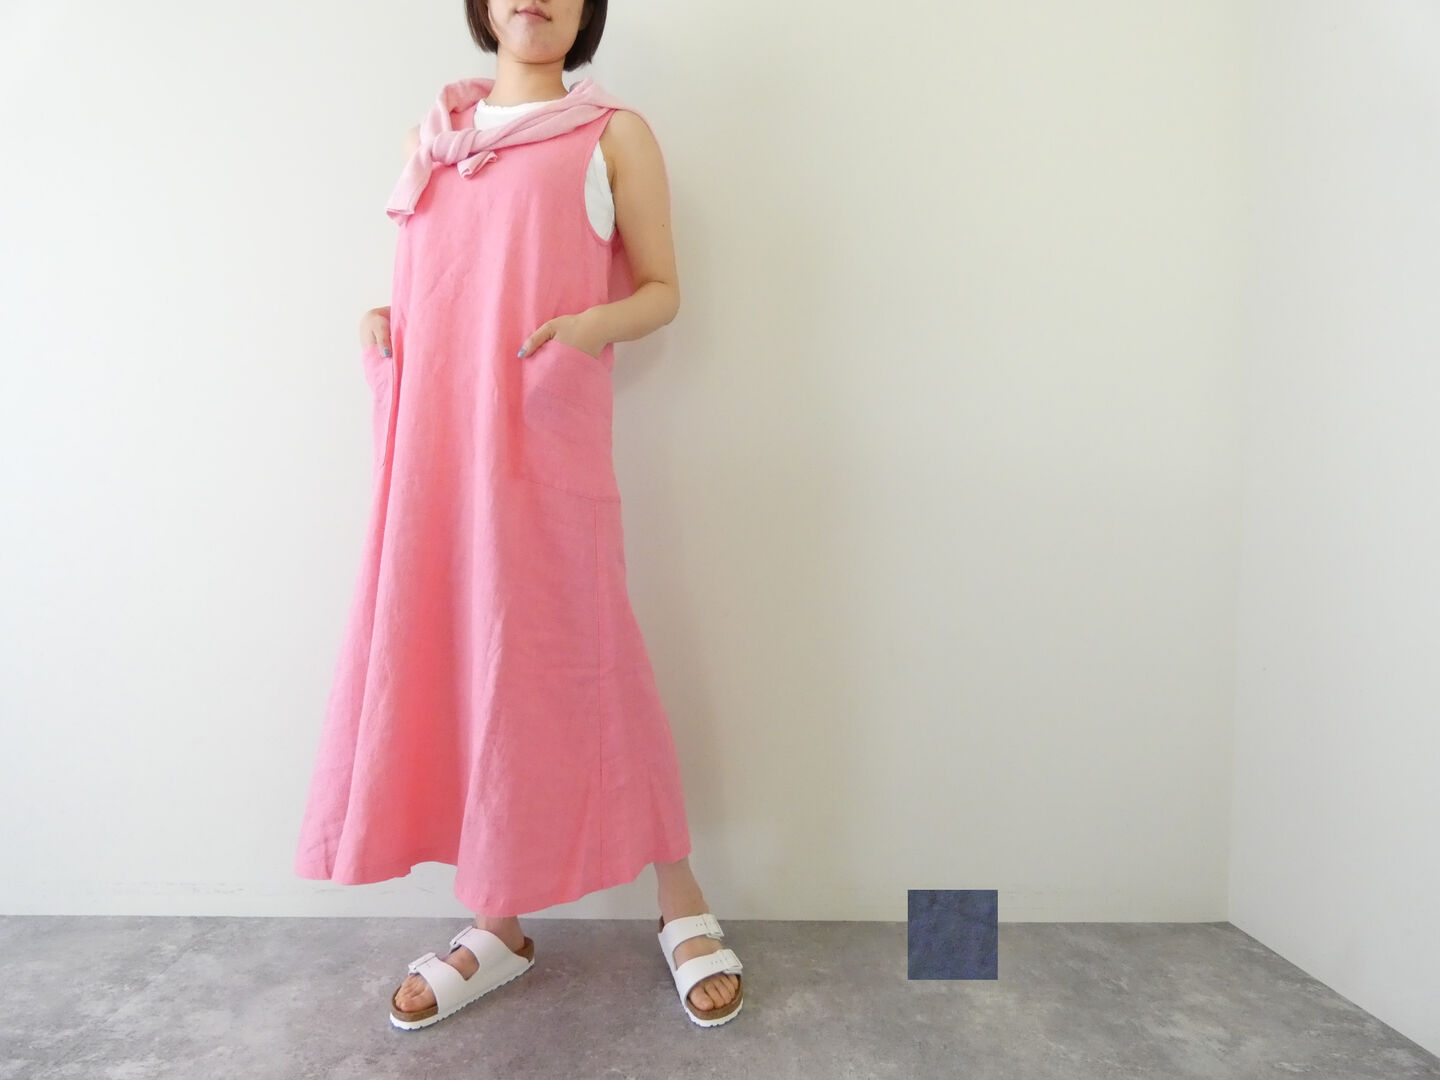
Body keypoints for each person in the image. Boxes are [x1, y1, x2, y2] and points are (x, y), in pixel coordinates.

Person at [292, 0, 743, 1030]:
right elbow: (445, 278)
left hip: (539, 442)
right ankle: (497, 920)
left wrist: (585, 329)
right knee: (458, 654)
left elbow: (662, 289)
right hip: (434, 447)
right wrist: (387, 323)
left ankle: (681, 898)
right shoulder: (431, 140)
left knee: (584, 650)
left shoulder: (612, 133)